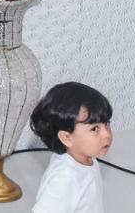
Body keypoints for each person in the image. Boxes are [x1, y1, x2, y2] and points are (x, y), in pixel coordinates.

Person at [29, 82, 111, 213]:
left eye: (107, 123)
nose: (107, 134)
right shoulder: (65, 177)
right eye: (95, 128)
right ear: (67, 138)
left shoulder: (85, 158)